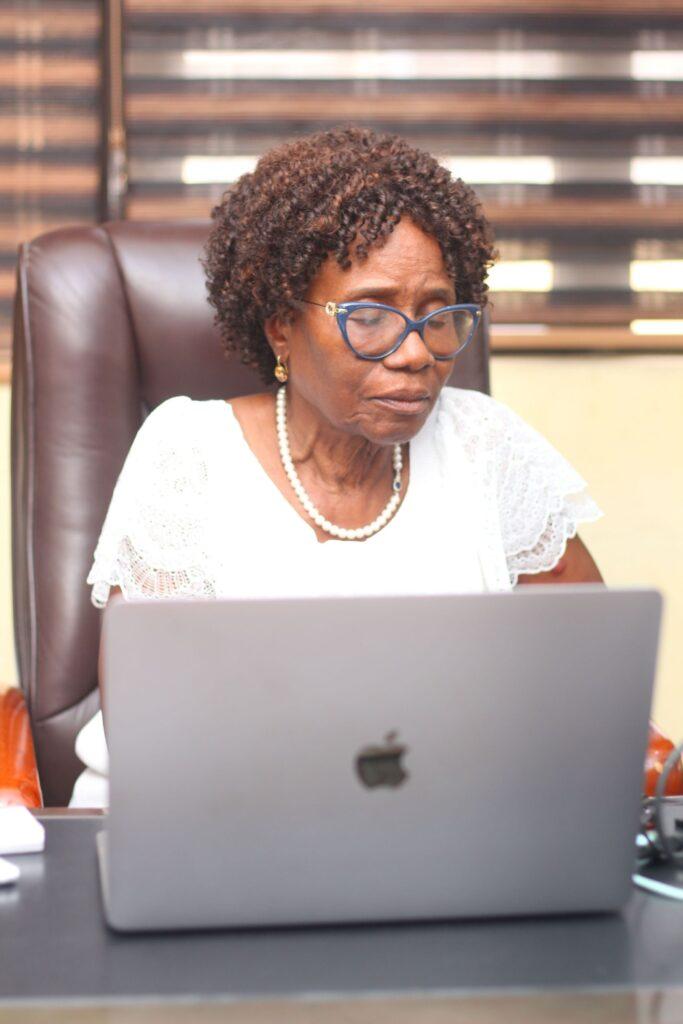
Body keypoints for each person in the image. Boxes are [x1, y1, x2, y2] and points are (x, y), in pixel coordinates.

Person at [69, 126, 602, 807]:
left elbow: (591, 685)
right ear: (281, 326)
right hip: (199, 827)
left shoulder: (487, 446)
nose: (416, 352)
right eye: (371, 315)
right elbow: (154, 730)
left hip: (441, 823)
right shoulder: (187, 454)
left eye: (437, 315)